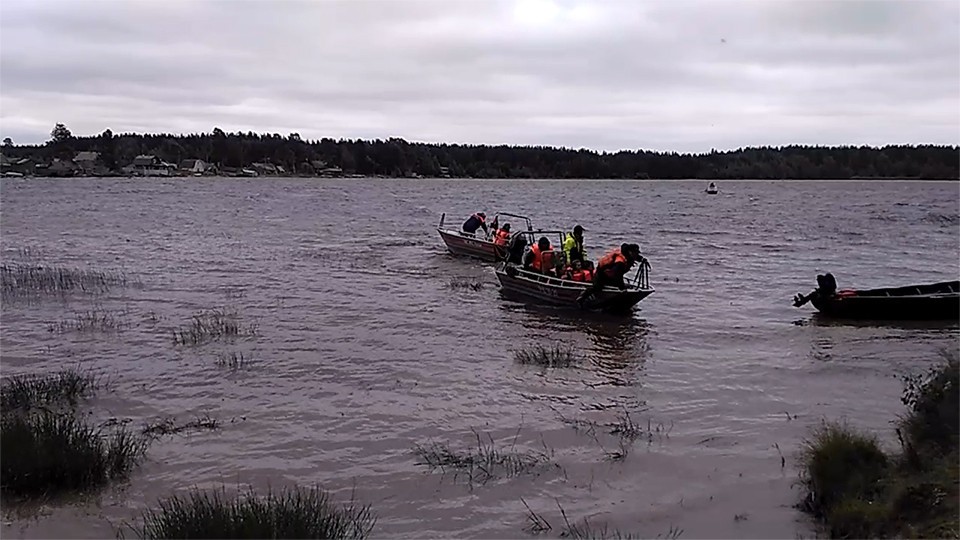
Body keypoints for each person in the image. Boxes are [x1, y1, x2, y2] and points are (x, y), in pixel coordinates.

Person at [577, 243, 642, 306]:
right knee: (598, 287)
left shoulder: (627, 254)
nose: (636, 255)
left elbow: (634, 257)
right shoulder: (620, 262)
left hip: (610, 274)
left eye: (637, 253)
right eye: (635, 253)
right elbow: (617, 275)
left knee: (618, 285)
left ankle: (618, 301)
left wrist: (641, 259)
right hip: (602, 273)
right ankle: (582, 297)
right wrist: (622, 288)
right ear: (630, 252)